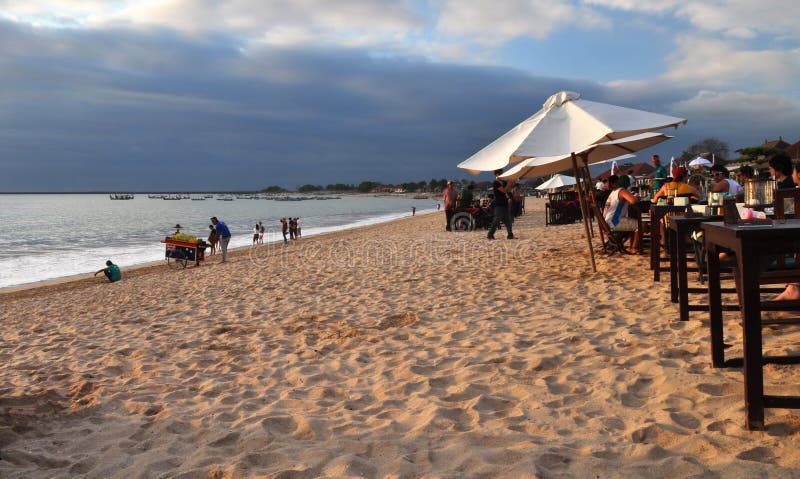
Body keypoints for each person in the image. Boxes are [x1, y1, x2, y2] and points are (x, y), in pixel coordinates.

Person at [603, 175, 641, 254]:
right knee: (640, 225)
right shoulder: (622, 190)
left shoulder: (613, 192)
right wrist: (637, 198)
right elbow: (633, 201)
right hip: (615, 222)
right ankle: (633, 247)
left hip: (607, 222)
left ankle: (631, 245)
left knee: (631, 222)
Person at [487, 169, 515, 240]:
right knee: (496, 220)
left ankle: (510, 235)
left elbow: (509, 188)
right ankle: (490, 234)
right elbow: (503, 190)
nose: (502, 175)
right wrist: (508, 184)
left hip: (505, 203)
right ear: (496, 175)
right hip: (498, 204)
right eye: (500, 174)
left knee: (508, 220)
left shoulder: (503, 182)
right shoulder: (495, 183)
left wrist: (512, 181)